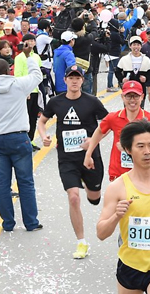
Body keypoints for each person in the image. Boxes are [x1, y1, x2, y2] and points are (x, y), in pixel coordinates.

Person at [96, 120, 150, 294]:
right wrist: (116, 216)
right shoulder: (117, 188)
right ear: (128, 149)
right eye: (140, 146)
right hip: (131, 265)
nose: (147, 152)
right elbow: (101, 233)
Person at [37, 65, 109, 259]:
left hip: (90, 158)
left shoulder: (92, 102)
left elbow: (108, 124)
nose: (75, 81)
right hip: (67, 158)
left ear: (83, 80)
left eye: (78, 77)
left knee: (94, 199)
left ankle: (88, 186)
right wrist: (44, 136)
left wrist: (92, 141)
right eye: (71, 77)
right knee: (74, 197)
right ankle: (81, 242)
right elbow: (41, 121)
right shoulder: (55, 102)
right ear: (65, 80)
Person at [0, 56, 43, 232]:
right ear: (8, 71)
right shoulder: (18, 85)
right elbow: (37, 75)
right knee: (25, 182)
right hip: (19, 137)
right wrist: (29, 58)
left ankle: (8, 223)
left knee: (3, 184)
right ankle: (31, 223)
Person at [84, 81, 150, 182]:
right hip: (118, 172)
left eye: (136, 96)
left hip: (142, 173)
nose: (132, 100)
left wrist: (129, 149)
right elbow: (99, 132)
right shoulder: (113, 117)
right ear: (122, 97)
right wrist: (88, 154)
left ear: (142, 97)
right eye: (128, 96)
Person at [13, 33, 42, 149]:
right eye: (28, 41)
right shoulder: (19, 58)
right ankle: (23, 141)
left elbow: (38, 73)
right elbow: (18, 75)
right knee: (24, 117)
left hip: (36, 90)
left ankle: (31, 139)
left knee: (33, 116)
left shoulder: (36, 57)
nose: (30, 43)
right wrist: (24, 91)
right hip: (26, 92)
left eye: (32, 40)